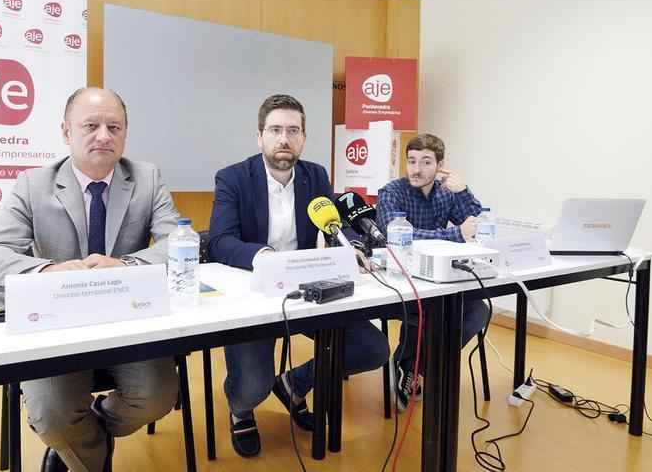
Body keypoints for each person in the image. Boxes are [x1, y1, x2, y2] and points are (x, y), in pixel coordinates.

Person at [0, 87, 180, 472]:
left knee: (158, 397)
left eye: (114, 127)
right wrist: (48, 270)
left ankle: (84, 432)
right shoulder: (34, 184)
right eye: (91, 125)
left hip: (127, 317)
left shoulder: (147, 178)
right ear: (66, 133)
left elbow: (180, 244)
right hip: (56, 324)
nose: (104, 135)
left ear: (125, 135)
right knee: (52, 417)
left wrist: (127, 264)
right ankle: (89, 453)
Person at [208, 94, 389, 458]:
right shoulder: (233, 178)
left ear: (304, 137)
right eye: (275, 130)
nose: (284, 138)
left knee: (372, 348)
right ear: (259, 137)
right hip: (255, 292)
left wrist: (351, 245)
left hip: (306, 288)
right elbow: (219, 240)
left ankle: (292, 383)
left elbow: (335, 222)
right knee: (252, 388)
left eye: (293, 130)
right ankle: (241, 408)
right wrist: (265, 256)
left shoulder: (315, 175)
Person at [376, 133, 490, 412]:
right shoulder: (392, 192)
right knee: (424, 309)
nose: (416, 169)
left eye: (425, 162)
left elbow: (481, 225)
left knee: (478, 310)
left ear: (440, 166)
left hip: (439, 277)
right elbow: (400, 235)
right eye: (411, 161)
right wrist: (455, 234)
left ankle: (418, 368)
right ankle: (408, 364)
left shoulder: (446, 194)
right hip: (397, 279)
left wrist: (463, 192)